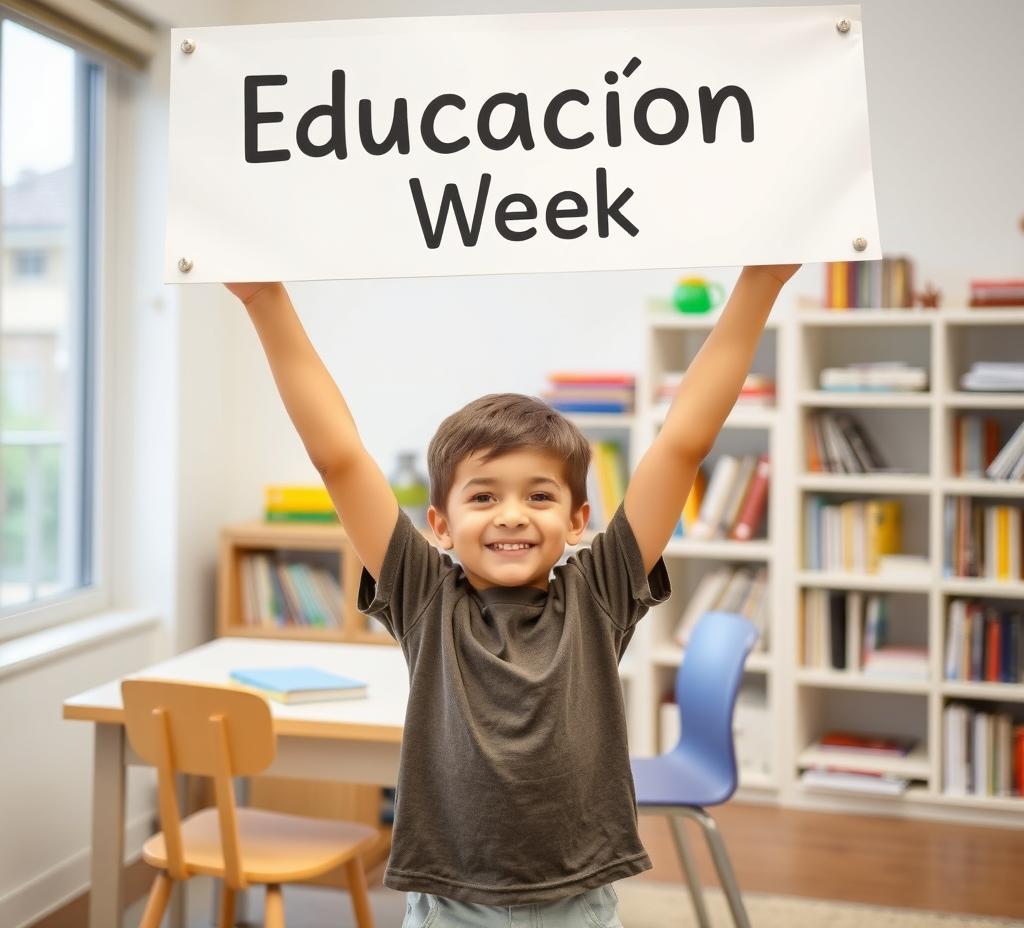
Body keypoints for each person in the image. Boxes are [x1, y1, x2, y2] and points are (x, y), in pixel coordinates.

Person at [226, 262, 799, 927]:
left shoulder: (600, 591)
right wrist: (265, 298)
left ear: (578, 520)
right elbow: (340, 458)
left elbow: (681, 444)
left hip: (578, 905)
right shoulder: (423, 595)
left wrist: (760, 284)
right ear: (438, 525)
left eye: (540, 495)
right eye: (483, 496)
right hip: (451, 906)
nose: (511, 514)